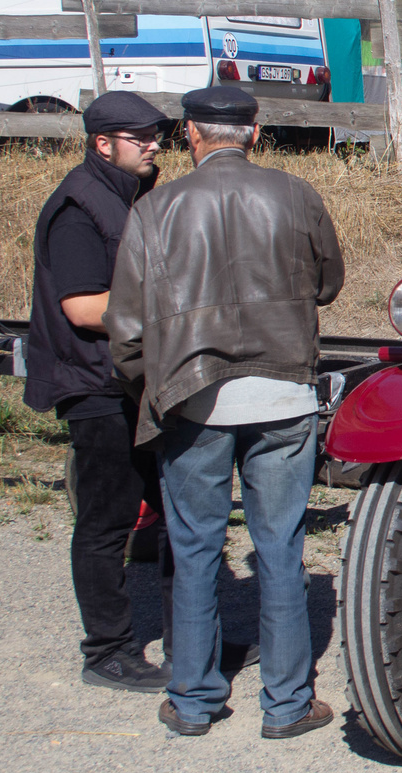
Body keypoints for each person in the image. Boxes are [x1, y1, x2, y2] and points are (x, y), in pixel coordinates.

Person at [106, 86, 345, 739]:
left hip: (192, 394)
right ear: (256, 132)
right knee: (280, 550)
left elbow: (125, 331)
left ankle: (194, 699)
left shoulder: (156, 209)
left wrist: (149, 390)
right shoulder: (296, 196)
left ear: (190, 134)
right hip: (283, 392)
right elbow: (328, 283)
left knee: (195, 549)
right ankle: (289, 705)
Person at [24, 92, 174, 692]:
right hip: (94, 383)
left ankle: (191, 639)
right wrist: (175, 309)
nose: (155, 145)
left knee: (169, 513)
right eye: (140, 138)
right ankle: (106, 650)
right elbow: (84, 308)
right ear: (102, 143)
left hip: (134, 378)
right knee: (106, 521)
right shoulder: (77, 208)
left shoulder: (130, 197)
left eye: (157, 136)